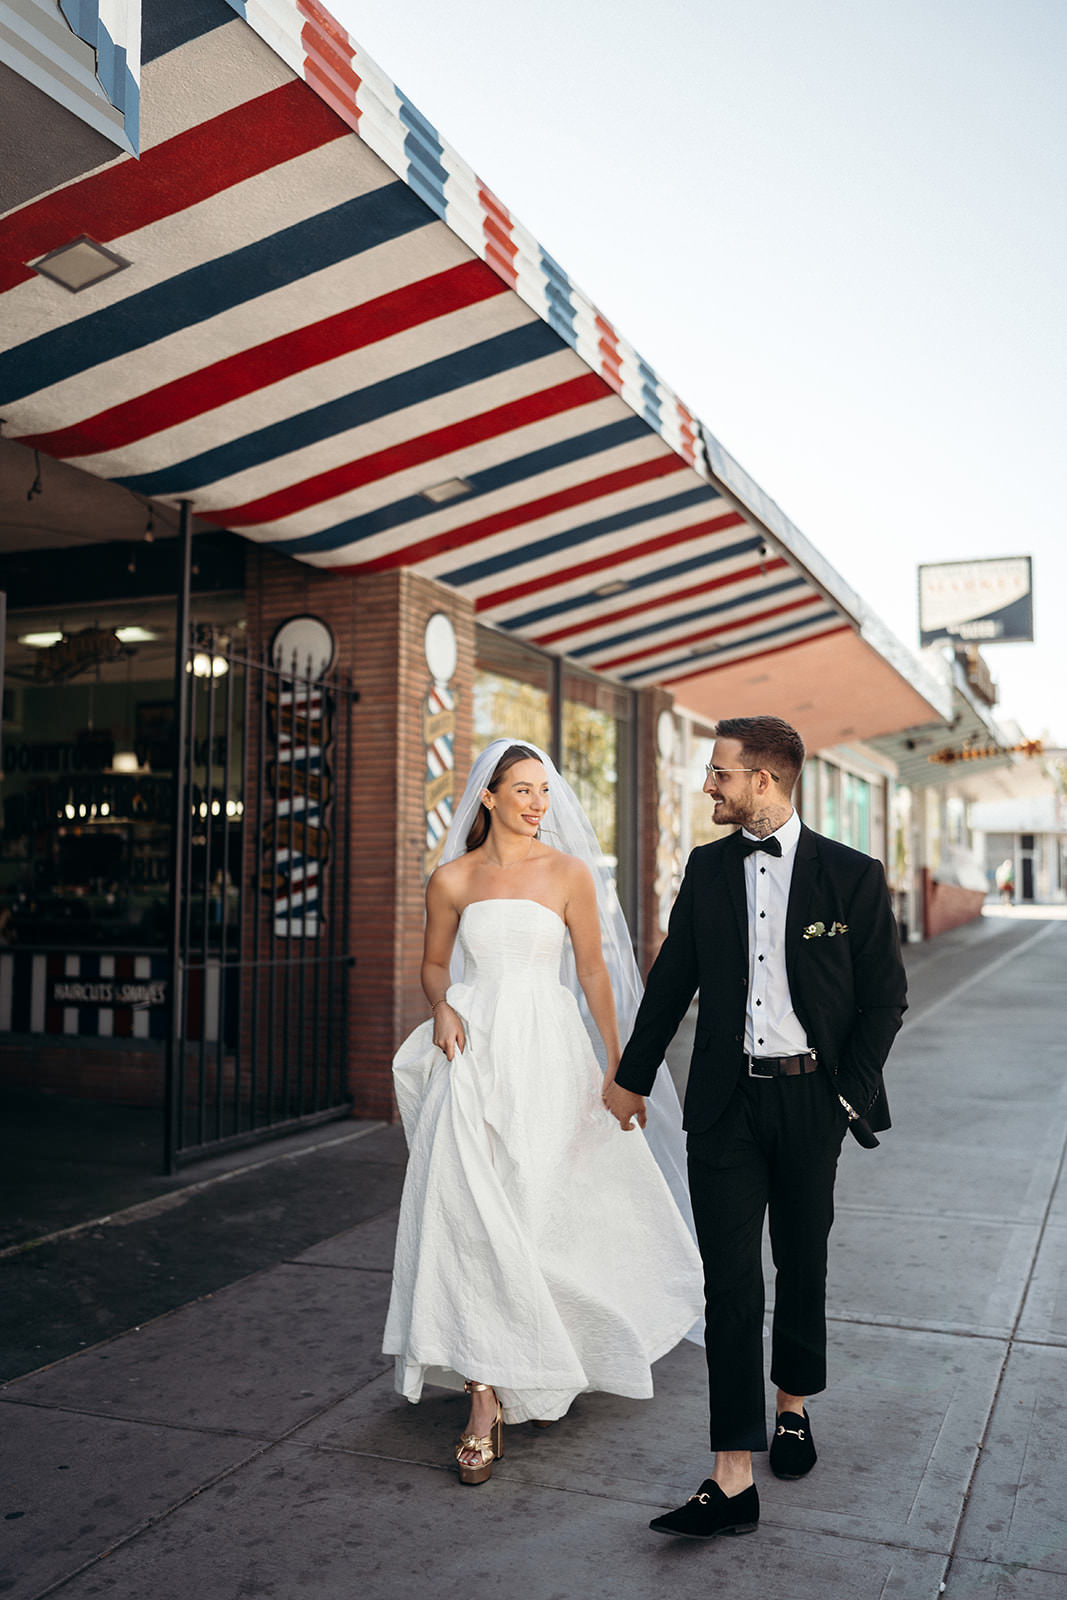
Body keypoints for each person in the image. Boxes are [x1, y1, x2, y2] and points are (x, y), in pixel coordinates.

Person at [605, 715, 907, 1541]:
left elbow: (885, 996)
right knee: (730, 1285)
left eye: (720, 774)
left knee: (799, 1262)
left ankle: (793, 1407)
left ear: (763, 782)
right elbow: (671, 982)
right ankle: (730, 1475)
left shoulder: (849, 875)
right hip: (725, 1107)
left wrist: (846, 1094)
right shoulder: (706, 870)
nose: (709, 785)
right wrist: (631, 1078)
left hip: (812, 1103)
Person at [383, 739, 704, 1485]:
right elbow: (434, 962)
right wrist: (439, 1006)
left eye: (542, 790)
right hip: (472, 1051)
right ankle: (483, 1399)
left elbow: (592, 967)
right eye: (520, 789)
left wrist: (622, 1066)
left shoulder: (568, 874)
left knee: (536, 1207)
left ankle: (540, 1352)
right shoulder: (452, 878)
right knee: (465, 1211)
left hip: (549, 1050)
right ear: (487, 797)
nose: (536, 802)